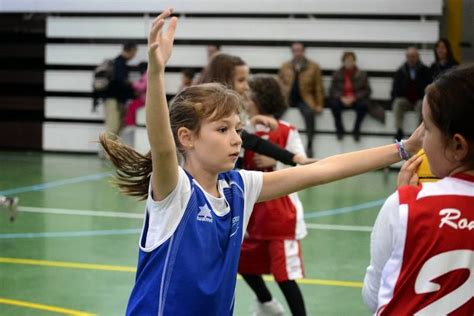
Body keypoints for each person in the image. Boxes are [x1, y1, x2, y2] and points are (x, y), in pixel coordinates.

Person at [99, 9, 423, 315]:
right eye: (223, 130)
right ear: (186, 138)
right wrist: (156, 73)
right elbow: (161, 144)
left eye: (238, 129)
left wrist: (404, 148)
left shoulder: (240, 186)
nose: (237, 139)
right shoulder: (176, 191)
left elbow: (323, 170)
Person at [363, 64, 474, 315]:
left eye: (427, 128)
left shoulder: (404, 207)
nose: (421, 140)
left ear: (458, 146)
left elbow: (374, 295)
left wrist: (407, 201)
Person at [238, 74, 308, 315]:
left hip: (281, 214)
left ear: (260, 99)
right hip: (252, 212)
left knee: (284, 275)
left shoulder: (287, 131)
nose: (245, 101)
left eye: (248, 97)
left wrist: (275, 161)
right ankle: (266, 303)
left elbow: (301, 166)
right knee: (242, 263)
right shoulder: (242, 130)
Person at [199, 52, 313, 167]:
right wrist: (292, 157)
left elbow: (248, 139)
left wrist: (291, 158)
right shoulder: (204, 111)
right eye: (241, 80)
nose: (247, 87)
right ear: (223, 80)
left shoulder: (287, 129)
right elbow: (249, 140)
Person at [278, 42, 325, 157]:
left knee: (310, 114)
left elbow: (319, 86)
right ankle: (273, 142)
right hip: (287, 98)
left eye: (299, 50)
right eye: (295, 50)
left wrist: (319, 104)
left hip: (305, 99)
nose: (297, 53)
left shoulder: (314, 66)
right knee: (274, 115)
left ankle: (309, 145)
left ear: (304, 51)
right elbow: (279, 84)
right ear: (292, 52)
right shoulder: (285, 66)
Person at [328, 51, 371, 141]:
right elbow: (332, 90)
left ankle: (356, 128)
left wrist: (355, 97)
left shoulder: (362, 74)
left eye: (351, 60)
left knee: (364, 105)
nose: (349, 63)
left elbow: (367, 90)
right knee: (333, 104)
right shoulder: (337, 73)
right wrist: (341, 97)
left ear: (354, 61)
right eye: (347, 61)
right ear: (343, 62)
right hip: (342, 99)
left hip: (356, 100)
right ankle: (339, 128)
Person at [391, 46, 431, 141]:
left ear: (417, 57)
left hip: (419, 100)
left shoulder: (425, 71)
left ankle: (418, 132)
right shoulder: (401, 71)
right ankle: (399, 130)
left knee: (421, 104)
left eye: (413, 56)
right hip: (406, 101)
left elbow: (428, 88)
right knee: (398, 102)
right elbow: (395, 90)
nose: (411, 59)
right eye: (409, 56)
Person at [104, 42, 138, 139]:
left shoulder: (119, 63)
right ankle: (107, 152)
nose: (134, 55)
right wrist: (133, 90)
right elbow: (121, 83)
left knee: (117, 128)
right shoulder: (119, 63)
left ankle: (111, 151)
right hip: (113, 100)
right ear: (131, 50)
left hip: (117, 100)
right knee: (113, 128)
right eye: (135, 52)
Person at [124, 62, 147, 126]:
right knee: (132, 106)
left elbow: (143, 86)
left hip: (145, 100)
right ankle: (130, 122)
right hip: (144, 99)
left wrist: (132, 83)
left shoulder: (147, 75)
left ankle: (130, 123)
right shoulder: (146, 75)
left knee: (132, 106)